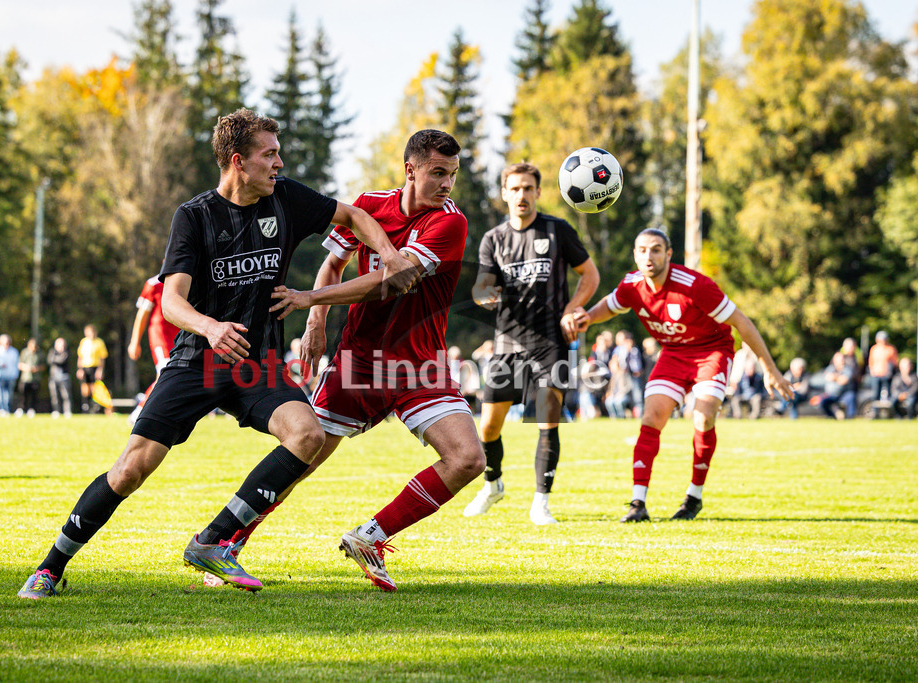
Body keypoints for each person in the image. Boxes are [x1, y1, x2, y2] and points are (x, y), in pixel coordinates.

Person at [17, 108, 417, 599]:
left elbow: (354, 216)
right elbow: (171, 300)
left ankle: (213, 541)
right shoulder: (194, 216)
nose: (279, 163)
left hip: (258, 364)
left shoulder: (286, 198)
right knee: (130, 469)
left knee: (307, 434)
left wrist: (391, 256)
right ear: (238, 161)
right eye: (269, 154)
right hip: (198, 361)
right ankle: (50, 568)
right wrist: (210, 327)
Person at [252, 129, 479, 592]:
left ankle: (370, 537)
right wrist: (316, 321)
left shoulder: (449, 224)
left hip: (419, 364)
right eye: (438, 173)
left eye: (452, 175)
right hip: (359, 360)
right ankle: (226, 542)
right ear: (410, 170)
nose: (447, 184)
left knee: (467, 458)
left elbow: (389, 282)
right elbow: (333, 263)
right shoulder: (369, 205)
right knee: (301, 458)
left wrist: (308, 297)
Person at [572, 229, 792, 522]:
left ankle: (693, 497)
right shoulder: (632, 285)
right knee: (651, 416)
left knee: (702, 417)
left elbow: (741, 322)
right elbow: (610, 307)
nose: (649, 256)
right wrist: (588, 318)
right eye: (642, 250)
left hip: (712, 351)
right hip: (674, 353)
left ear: (668, 254)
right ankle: (638, 504)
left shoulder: (695, 285)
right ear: (635, 254)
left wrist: (770, 369)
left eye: (656, 249)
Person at [462, 162, 599, 524]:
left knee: (546, 419)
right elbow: (482, 286)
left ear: (538, 192)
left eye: (527, 188)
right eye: (514, 188)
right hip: (507, 343)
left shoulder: (557, 230)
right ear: (504, 194)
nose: (521, 194)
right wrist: (484, 295)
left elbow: (590, 274)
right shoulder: (493, 239)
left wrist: (571, 308)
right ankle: (493, 485)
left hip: (551, 342)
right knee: (488, 427)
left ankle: (541, 501)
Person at [127, 273, 182, 423]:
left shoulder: (187, 281)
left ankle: (159, 414)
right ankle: (140, 412)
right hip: (160, 336)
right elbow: (142, 314)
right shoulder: (154, 284)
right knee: (165, 372)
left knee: (175, 376)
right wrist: (135, 341)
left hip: (179, 336)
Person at [76, 325, 108, 414]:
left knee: (95, 387)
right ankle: (85, 405)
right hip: (85, 367)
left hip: (95, 366)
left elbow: (102, 357)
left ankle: (95, 406)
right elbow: (80, 357)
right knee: (85, 387)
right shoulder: (83, 342)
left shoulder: (99, 342)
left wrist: (100, 369)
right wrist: (80, 369)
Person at [819, 352, 856, 419]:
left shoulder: (848, 369)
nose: (840, 361)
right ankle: (832, 416)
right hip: (830, 394)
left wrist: (834, 377)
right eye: (838, 359)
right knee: (822, 402)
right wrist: (838, 378)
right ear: (834, 360)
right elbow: (828, 377)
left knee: (851, 396)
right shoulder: (830, 368)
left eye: (841, 359)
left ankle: (850, 417)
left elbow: (844, 381)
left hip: (843, 394)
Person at [0, 334, 20, 417]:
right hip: (0, 376)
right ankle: (1, 409)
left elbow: (16, 364)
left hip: (11, 376)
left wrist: (15, 374)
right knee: (0, 394)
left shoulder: (14, 352)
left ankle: (7, 409)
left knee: (9, 394)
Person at [867, 331, 898, 402]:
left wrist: (890, 371)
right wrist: (872, 371)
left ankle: (888, 408)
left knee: (888, 393)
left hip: (887, 375)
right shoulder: (874, 349)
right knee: (875, 394)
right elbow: (871, 362)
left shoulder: (891, 349)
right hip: (876, 375)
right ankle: (875, 408)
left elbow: (894, 362)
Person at [46, 337, 73, 417]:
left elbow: (61, 361)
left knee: (66, 395)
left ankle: (67, 411)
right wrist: (56, 359)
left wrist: (55, 359)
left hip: (64, 376)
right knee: (54, 396)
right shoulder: (52, 351)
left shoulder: (66, 352)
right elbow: (49, 360)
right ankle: (56, 411)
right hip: (53, 377)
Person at [18, 338, 44, 417]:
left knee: (34, 396)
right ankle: (21, 409)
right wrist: (27, 368)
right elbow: (20, 364)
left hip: (35, 379)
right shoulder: (24, 352)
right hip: (25, 378)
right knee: (23, 395)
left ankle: (32, 409)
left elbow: (43, 366)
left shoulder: (40, 354)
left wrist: (36, 369)